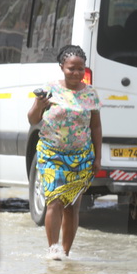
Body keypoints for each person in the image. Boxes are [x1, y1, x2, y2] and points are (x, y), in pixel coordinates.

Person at [27, 45, 102, 260]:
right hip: (52, 154)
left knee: (71, 206)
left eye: (80, 69)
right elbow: (33, 119)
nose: (76, 73)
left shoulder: (90, 94)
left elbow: (95, 127)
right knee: (55, 201)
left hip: (81, 157)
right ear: (62, 67)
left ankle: (66, 253)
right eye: (71, 68)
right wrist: (38, 105)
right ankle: (53, 248)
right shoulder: (50, 89)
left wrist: (98, 157)